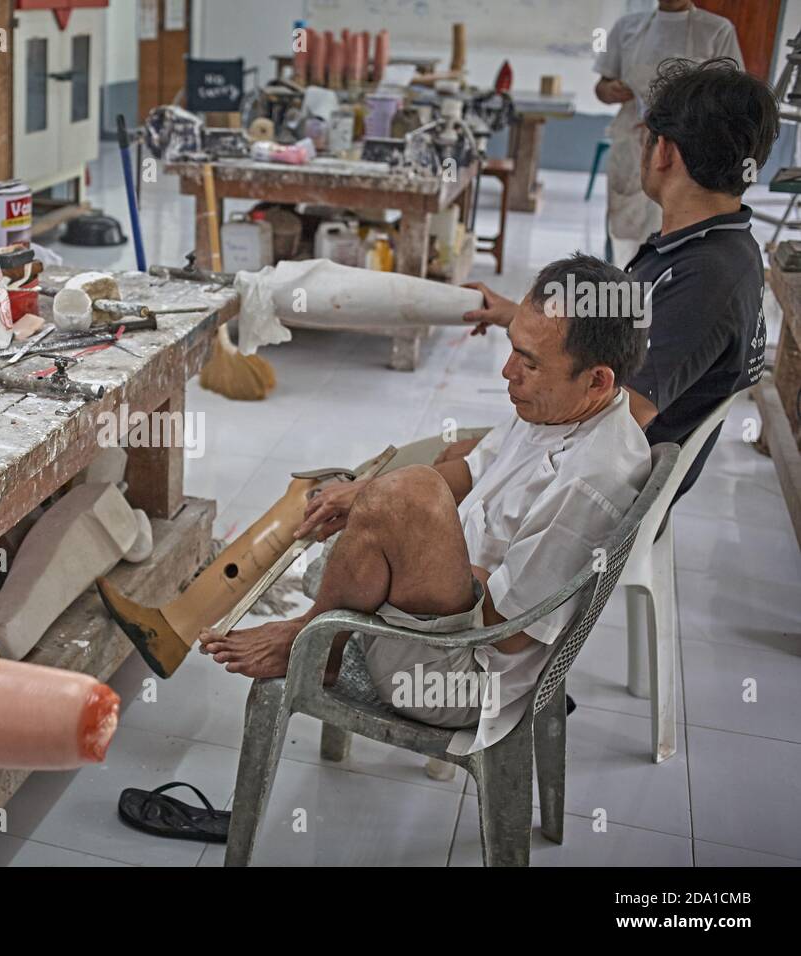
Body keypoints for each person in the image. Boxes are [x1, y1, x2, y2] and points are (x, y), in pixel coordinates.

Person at [200, 255, 652, 754]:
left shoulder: (591, 480)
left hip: (460, 673)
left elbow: (508, 635)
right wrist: (370, 498)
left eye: (529, 363)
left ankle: (311, 639)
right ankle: (322, 636)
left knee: (410, 494)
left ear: (598, 381)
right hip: (450, 618)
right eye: (513, 350)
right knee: (404, 486)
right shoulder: (558, 406)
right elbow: (476, 468)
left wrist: (419, 539)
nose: (508, 371)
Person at [463, 58, 778, 501]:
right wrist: (517, 316)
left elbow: (613, 421)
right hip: (581, 459)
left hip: (585, 491)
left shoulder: (707, 278)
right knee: (446, 465)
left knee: (433, 475)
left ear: (664, 151)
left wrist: (492, 461)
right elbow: (622, 327)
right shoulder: (704, 246)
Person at [594, 1, 741, 266]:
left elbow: (731, 98)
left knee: (680, 232)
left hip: (688, 152)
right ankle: (626, 291)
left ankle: (670, 292)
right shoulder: (627, 27)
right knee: (626, 233)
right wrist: (610, 90)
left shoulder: (717, 30)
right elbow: (601, 87)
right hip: (633, 146)